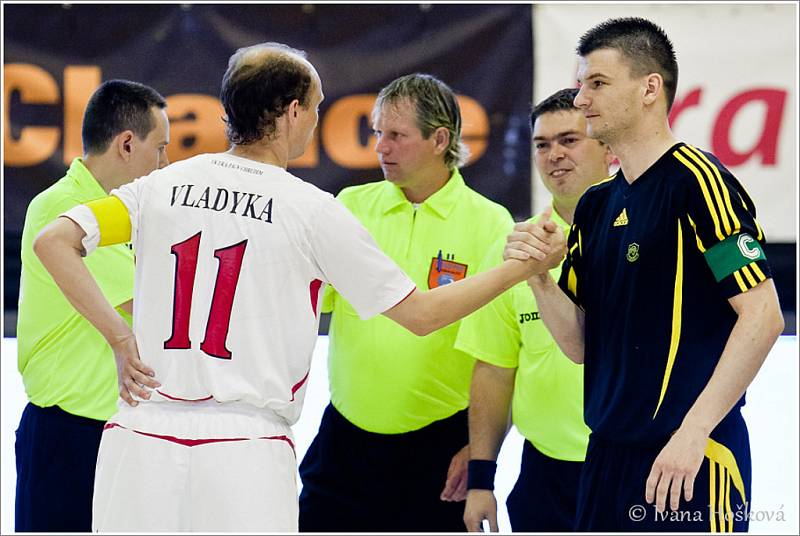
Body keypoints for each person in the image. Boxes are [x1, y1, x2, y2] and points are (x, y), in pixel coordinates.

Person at [32, 43, 557, 532]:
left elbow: (54, 242)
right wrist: (520, 269)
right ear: (290, 113)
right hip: (243, 449)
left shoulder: (160, 186)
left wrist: (121, 342)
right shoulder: (312, 210)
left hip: (141, 437)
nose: (317, 120)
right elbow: (420, 315)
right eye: (316, 106)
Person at [505, 17, 784, 532]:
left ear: (650, 88)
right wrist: (540, 279)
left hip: (689, 459)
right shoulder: (595, 205)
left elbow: (763, 316)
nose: (581, 97)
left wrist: (694, 432)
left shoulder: (700, 184)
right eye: (580, 83)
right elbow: (581, 346)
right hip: (607, 455)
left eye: (597, 83)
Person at [298, 73, 514, 532]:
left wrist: (480, 453)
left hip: (439, 450)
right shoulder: (351, 205)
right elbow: (309, 306)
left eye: (395, 135)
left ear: (440, 139)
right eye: (377, 132)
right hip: (346, 440)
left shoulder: (489, 223)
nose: (380, 147)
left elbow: (502, 354)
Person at [14, 80, 169, 532]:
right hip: (70, 435)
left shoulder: (119, 214)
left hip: (111, 432)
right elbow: (149, 306)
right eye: (159, 149)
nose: (165, 164)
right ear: (126, 144)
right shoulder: (65, 209)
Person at [459, 87, 614, 532]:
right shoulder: (514, 248)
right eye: (542, 144)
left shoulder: (644, 238)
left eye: (569, 140)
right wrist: (481, 480)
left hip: (631, 464)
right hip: (544, 476)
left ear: (607, 146)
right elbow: (494, 368)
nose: (554, 155)